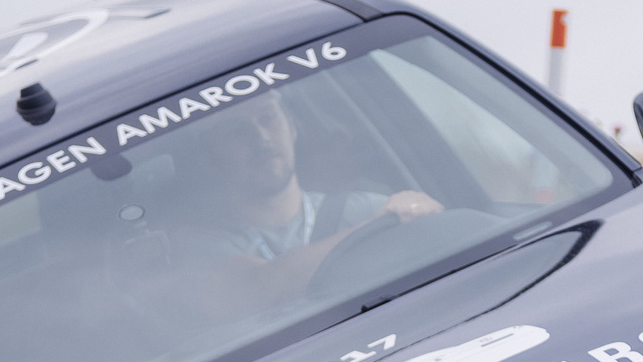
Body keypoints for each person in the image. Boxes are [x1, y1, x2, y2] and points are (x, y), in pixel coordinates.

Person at [177, 93, 444, 310]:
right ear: (210, 161)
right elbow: (255, 290)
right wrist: (375, 229)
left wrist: (416, 211)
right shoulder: (200, 249)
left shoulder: (367, 208)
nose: (262, 138)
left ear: (292, 129)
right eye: (237, 132)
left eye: (268, 119)